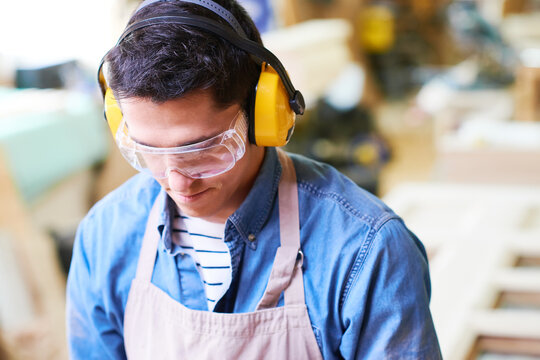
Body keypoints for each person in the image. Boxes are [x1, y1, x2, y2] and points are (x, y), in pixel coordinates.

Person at [66, 0, 442, 358]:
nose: (178, 182)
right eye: (150, 151)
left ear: (264, 115)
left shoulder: (367, 252)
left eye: (202, 150)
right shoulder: (105, 235)